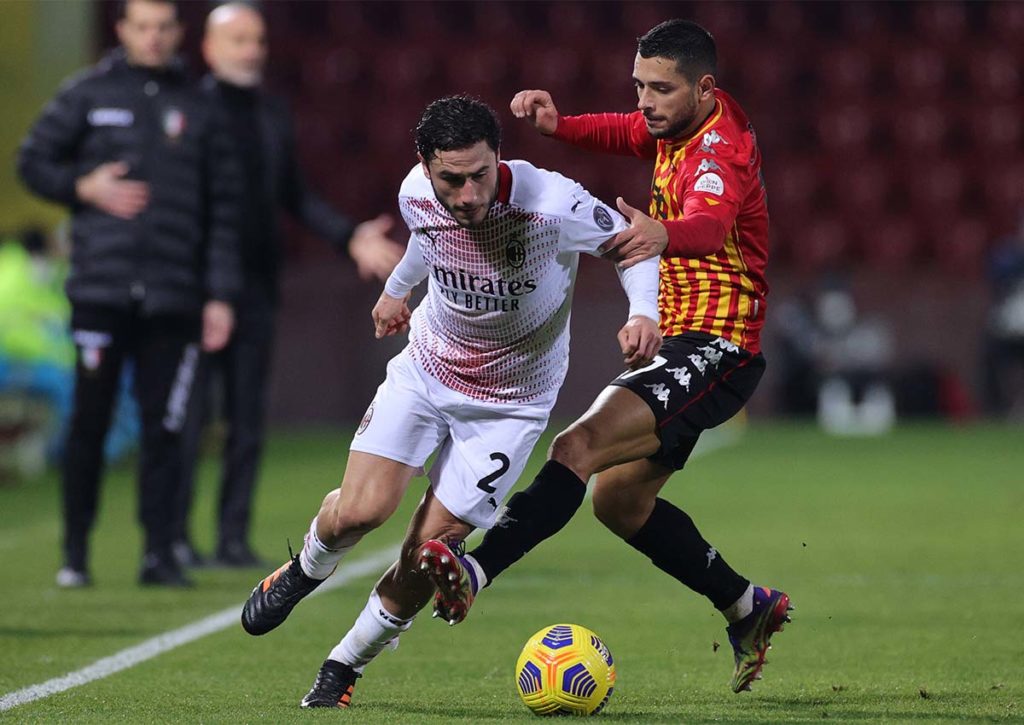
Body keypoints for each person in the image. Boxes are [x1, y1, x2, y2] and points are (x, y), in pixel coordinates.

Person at [239, 95, 661, 708]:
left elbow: (630, 245)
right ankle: (306, 567)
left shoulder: (550, 202)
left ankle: (343, 664)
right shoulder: (416, 191)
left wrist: (643, 312)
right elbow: (424, 238)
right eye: (451, 180)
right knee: (360, 511)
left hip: (510, 406)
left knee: (428, 555)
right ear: (426, 166)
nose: (466, 196)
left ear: (498, 157)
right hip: (428, 372)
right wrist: (396, 291)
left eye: (480, 176)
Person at [416, 19, 793, 695]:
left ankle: (477, 571)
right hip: (685, 339)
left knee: (578, 445)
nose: (645, 101)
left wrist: (662, 234)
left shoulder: (720, 152)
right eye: (638, 85)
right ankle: (747, 605)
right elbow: (630, 131)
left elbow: (708, 224)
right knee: (618, 502)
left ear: (704, 89)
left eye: (660, 89)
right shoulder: (683, 119)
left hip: (718, 342)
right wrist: (563, 126)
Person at [172, 2, 405, 569]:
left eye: (257, 39)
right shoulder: (191, 115)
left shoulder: (271, 113)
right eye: (238, 40)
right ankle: (171, 539)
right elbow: (187, 212)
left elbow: (295, 195)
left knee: (247, 418)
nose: (251, 50)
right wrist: (207, 288)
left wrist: (350, 236)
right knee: (188, 417)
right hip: (195, 287)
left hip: (256, 286)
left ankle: (231, 536)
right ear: (209, 48)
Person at [16, 0, 241, 587]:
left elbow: (223, 211)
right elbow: (31, 161)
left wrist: (218, 294)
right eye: (142, 26)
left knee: (166, 427)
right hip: (101, 290)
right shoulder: (87, 94)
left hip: (174, 296)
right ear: (122, 30)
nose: (153, 37)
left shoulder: (198, 106)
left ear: (178, 32)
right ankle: (74, 553)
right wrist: (80, 186)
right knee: (87, 423)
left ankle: (158, 553)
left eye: (164, 26)